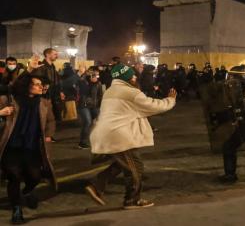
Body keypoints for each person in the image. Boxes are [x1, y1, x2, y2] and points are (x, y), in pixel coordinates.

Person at [85, 64, 176, 209]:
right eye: (132, 75)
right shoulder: (131, 92)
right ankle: (132, 200)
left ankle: (97, 184)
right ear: (126, 78)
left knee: (125, 164)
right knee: (136, 167)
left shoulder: (110, 91)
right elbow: (154, 106)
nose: (135, 77)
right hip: (119, 136)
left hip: (108, 133)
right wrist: (170, 100)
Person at [0, 72, 56, 224]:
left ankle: (27, 191)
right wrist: (1, 113)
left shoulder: (44, 103)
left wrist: (48, 135)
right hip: (11, 147)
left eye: (41, 84)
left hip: (32, 147)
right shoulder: (8, 101)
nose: (41, 87)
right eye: (37, 84)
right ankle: (16, 209)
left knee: (35, 176)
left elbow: (51, 121)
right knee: (14, 178)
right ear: (27, 86)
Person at [30, 50, 65, 129]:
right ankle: (41, 137)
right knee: (42, 118)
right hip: (42, 97)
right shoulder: (41, 66)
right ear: (47, 55)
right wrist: (44, 86)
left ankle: (47, 137)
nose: (57, 56)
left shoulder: (52, 67)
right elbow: (36, 80)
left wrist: (60, 91)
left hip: (51, 97)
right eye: (55, 54)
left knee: (51, 118)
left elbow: (56, 82)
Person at [77, 71, 103, 149]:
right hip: (84, 105)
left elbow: (100, 95)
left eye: (97, 76)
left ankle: (95, 138)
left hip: (94, 106)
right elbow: (82, 91)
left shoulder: (98, 84)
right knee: (87, 122)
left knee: (97, 122)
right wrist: (86, 79)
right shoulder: (84, 83)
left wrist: (100, 105)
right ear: (90, 76)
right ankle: (82, 142)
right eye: (94, 76)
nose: (96, 77)